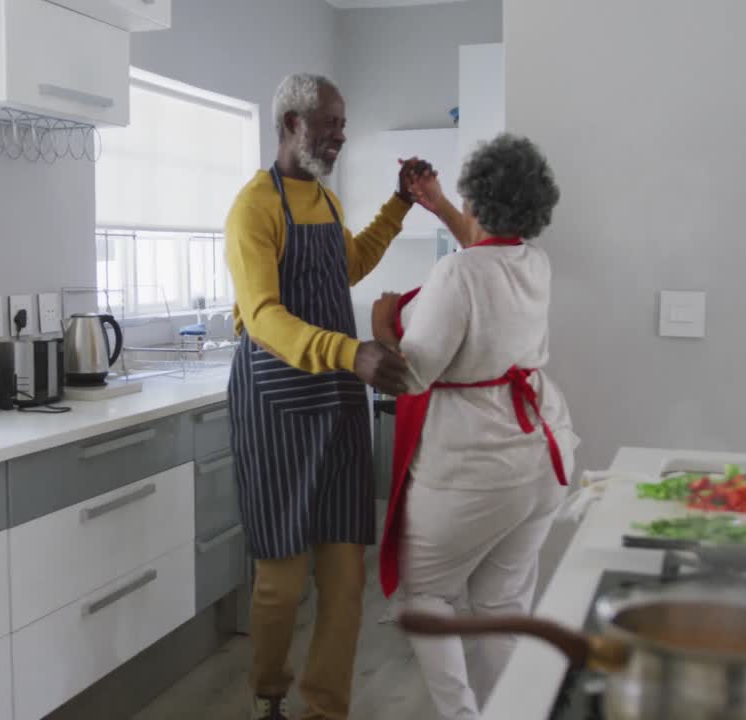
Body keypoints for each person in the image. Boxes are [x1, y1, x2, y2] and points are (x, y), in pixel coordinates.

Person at [225, 72, 431, 720]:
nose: (340, 137)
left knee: (344, 581)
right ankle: (270, 695)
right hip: (278, 405)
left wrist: (399, 205)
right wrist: (351, 352)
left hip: (338, 405)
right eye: (329, 125)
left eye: (341, 125)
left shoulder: (327, 201)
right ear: (291, 123)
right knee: (281, 584)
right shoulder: (253, 208)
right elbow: (262, 316)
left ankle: (325, 709)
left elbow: (348, 266)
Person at [371, 133, 578, 720]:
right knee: (501, 606)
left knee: (425, 594)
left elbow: (410, 375)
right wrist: (436, 202)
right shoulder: (532, 261)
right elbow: (486, 249)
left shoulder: (457, 275)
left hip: (473, 464)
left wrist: (383, 323)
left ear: (478, 199)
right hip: (541, 454)